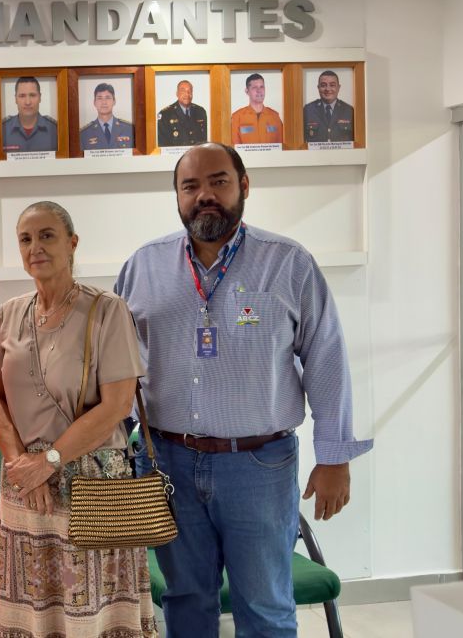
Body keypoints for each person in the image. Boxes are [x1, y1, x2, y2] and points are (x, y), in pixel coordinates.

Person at [115, 143, 373, 637]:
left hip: (259, 465)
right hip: (167, 463)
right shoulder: (142, 267)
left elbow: (327, 358)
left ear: (244, 186)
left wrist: (334, 457)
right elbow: (118, 364)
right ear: (177, 195)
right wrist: (116, 448)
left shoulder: (289, 263)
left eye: (218, 182)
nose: (204, 195)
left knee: (265, 604)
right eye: (190, 186)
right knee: (185, 600)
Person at [0, 201, 157, 637]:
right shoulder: (9, 313)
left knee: (95, 614)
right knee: (30, 612)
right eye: (25, 239)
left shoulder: (107, 310)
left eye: (47, 236)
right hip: (25, 489)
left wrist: (49, 462)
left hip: (94, 484)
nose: (35, 247)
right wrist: (22, 466)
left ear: (72, 243)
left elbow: (117, 405)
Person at [2, 76, 58, 153]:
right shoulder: (2, 130)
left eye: (32, 95)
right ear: (15, 99)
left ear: (40, 97)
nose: (28, 102)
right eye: (22, 96)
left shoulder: (55, 130)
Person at [229, 73, 284, 145]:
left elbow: (282, 146)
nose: (259, 90)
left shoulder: (275, 116)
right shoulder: (237, 117)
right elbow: (235, 147)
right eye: (254, 87)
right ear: (247, 91)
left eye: (261, 87)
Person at [79, 82, 135, 151]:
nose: (104, 102)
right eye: (100, 98)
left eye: (108, 98)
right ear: (94, 102)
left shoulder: (129, 129)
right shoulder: (84, 134)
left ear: (114, 101)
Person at [303, 70, 355, 143]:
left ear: (338, 87)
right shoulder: (308, 110)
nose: (327, 89)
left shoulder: (349, 110)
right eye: (323, 85)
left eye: (332, 85)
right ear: (318, 88)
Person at [157, 80, 208, 147]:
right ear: (177, 93)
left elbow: (204, 141)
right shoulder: (165, 114)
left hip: (196, 153)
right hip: (175, 153)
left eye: (189, 91)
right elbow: (162, 145)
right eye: (183, 91)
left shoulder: (200, 112)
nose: (187, 94)